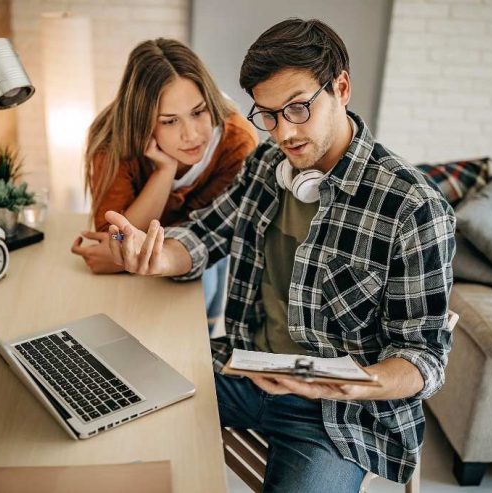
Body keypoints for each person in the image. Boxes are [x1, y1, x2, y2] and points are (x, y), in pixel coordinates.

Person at [102, 19, 456, 492]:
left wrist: (359, 382)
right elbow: (205, 235)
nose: (283, 132)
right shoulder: (268, 165)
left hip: (335, 415)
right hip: (244, 368)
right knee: (115, 399)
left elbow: (423, 355)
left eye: (297, 109)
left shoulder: (413, 206)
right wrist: (156, 257)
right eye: (267, 114)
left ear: (342, 88)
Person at [71, 38, 257, 332]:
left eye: (198, 112)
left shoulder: (237, 143)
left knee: (202, 302)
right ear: (144, 121)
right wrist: (164, 171)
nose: (192, 135)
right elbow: (115, 235)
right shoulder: (113, 141)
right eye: (170, 121)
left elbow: (204, 233)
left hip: (196, 260)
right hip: (145, 275)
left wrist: (120, 259)